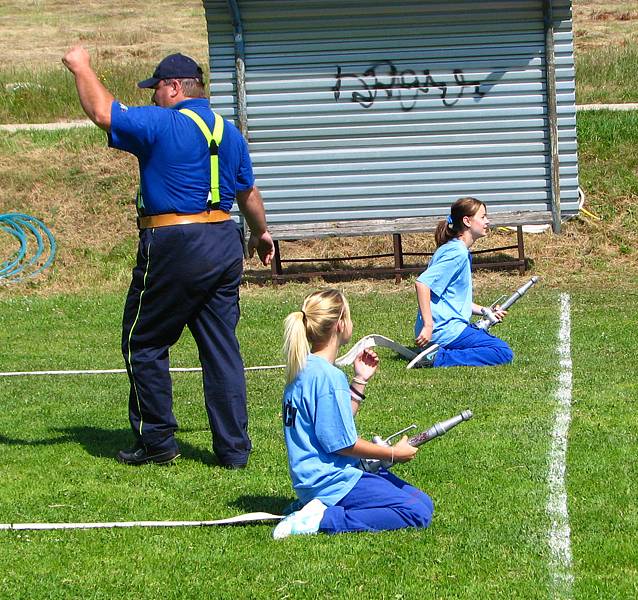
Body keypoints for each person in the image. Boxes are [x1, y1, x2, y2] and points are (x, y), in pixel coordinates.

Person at [61, 46, 275, 468]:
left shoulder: (164, 123)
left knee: (144, 341)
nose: (153, 97)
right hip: (223, 242)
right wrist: (263, 233)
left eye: (156, 88)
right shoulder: (228, 133)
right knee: (221, 348)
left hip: (175, 243)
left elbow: (105, 113)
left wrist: (81, 66)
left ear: (175, 87)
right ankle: (234, 451)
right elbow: (246, 192)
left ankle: (156, 442)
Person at [274, 289, 433, 539]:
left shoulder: (306, 369)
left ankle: (311, 506)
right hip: (332, 481)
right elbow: (342, 444)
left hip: (320, 480)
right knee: (416, 512)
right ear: (340, 324)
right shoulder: (329, 377)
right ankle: (321, 520)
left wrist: (360, 380)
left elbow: (332, 425)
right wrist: (393, 453)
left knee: (423, 502)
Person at [413, 197, 513, 368]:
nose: (487, 221)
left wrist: (485, 311)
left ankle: (437, 352)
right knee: (502, 351)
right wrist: (428, 325)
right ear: (467, 221)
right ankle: (438, 358)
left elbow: (453, 299)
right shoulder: (457, 252)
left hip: (445, 329)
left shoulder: (455, 249)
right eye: (482, 217)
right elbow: (422, 284)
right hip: (443, 331)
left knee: (495, 347)